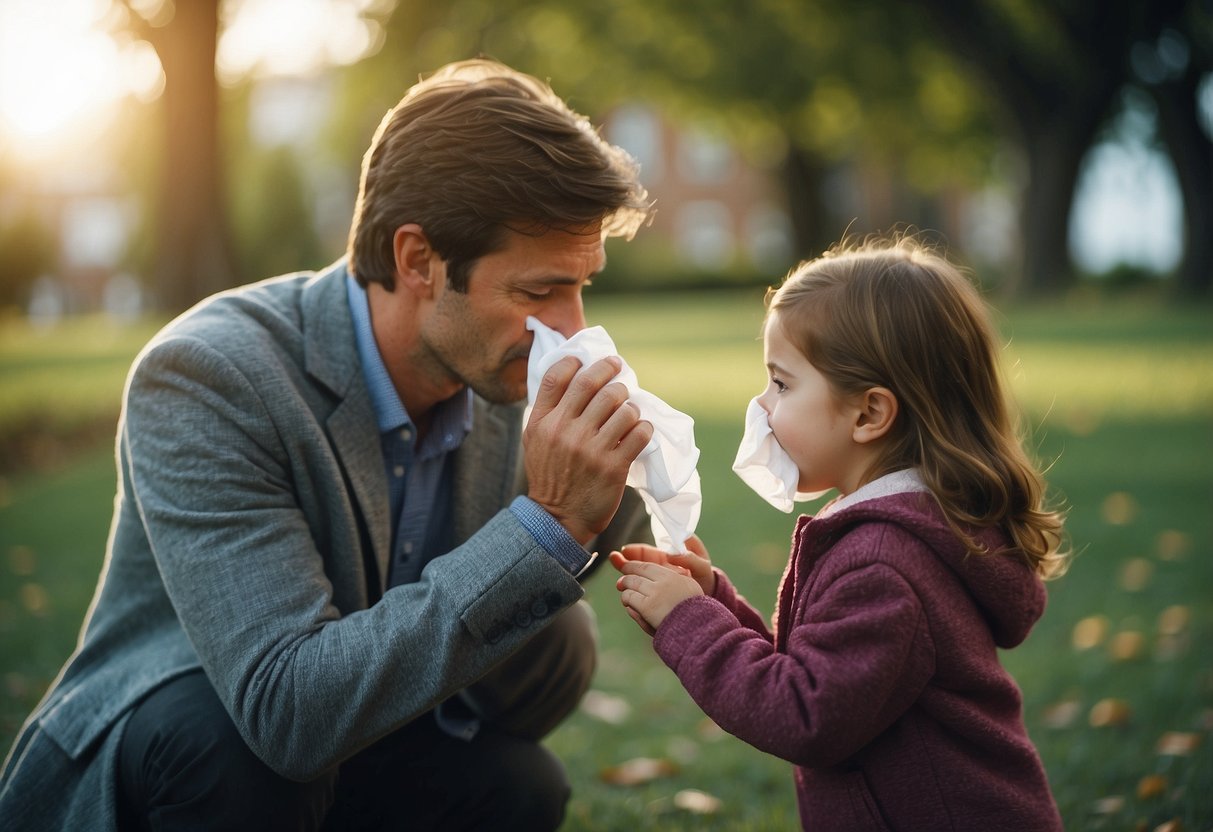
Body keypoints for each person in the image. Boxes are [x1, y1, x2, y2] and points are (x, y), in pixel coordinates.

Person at [0, 59, 657, 831]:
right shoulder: (209, 375)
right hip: (197, 748)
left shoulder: (502, 367)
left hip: (356, 745)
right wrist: (542, 528)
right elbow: (286, 713)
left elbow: (627, 576)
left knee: (519, 781)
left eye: (582, 286)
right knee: (242, 760)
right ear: (417, 260)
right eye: (538, 290)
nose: (572, 328)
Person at [611, 236, 1068, 831]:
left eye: (781, 384)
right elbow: (820, 670)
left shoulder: (883, 563)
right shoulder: (902, 530)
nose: (762, 405)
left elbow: (803, 712)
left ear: (869, 414)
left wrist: (688, 624)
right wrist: (715, 604)